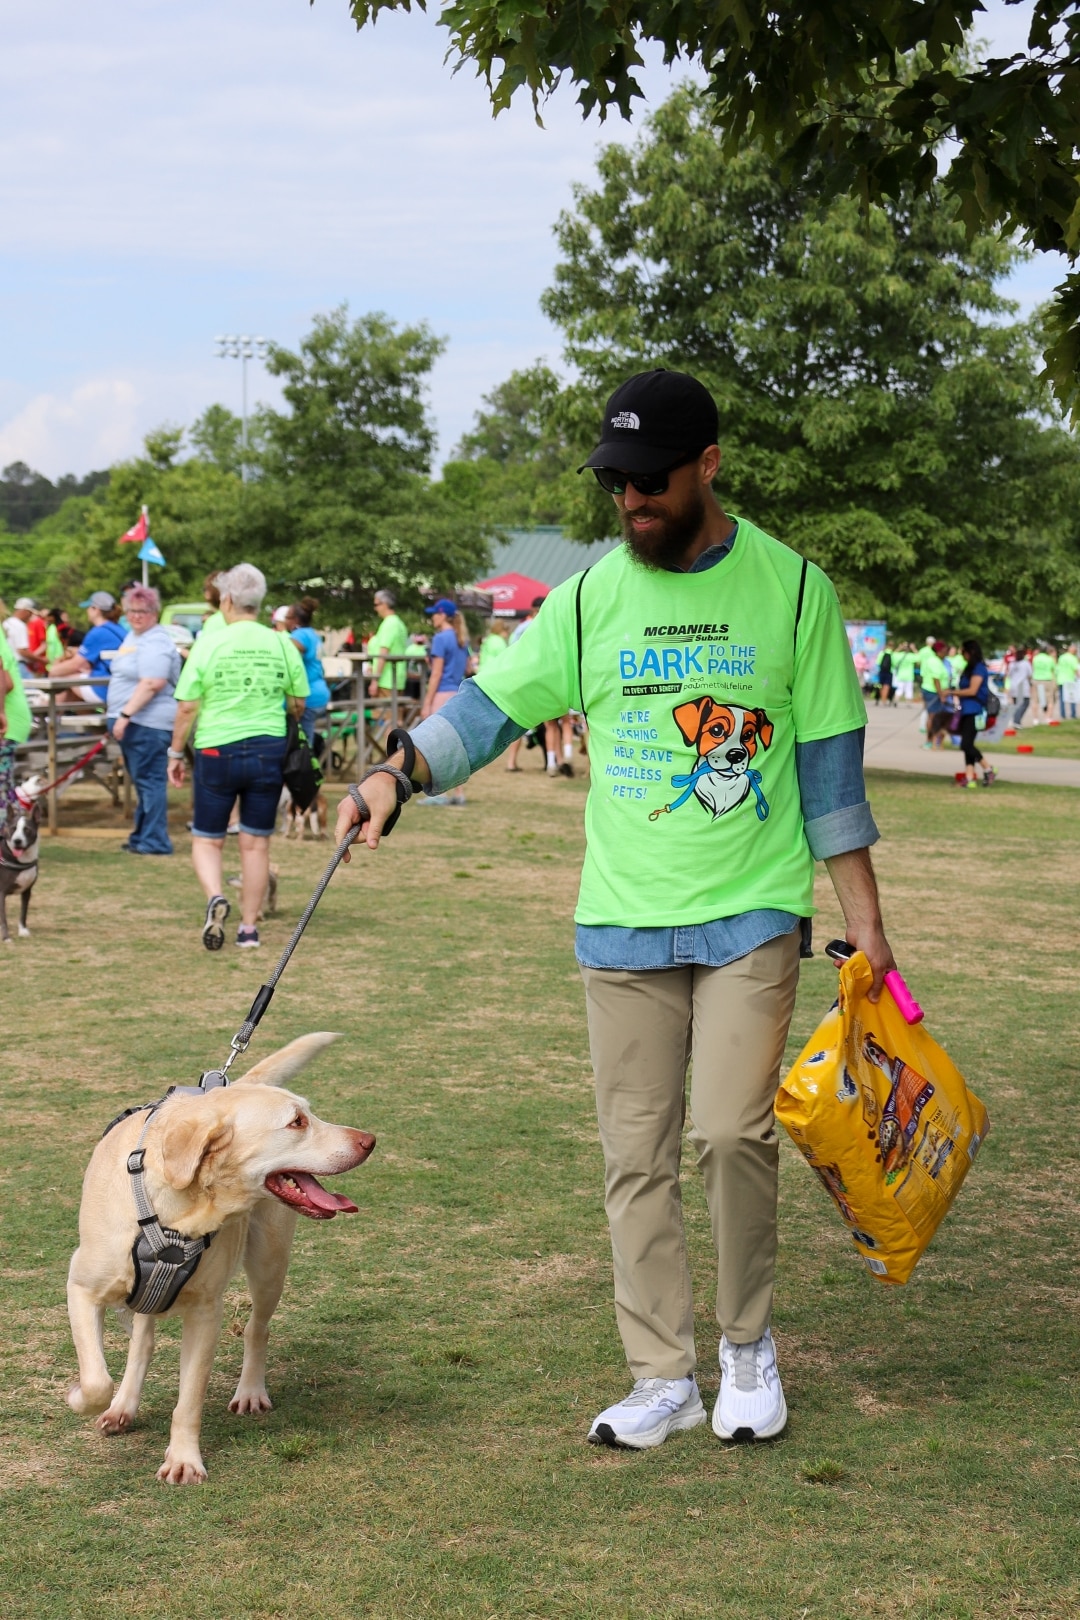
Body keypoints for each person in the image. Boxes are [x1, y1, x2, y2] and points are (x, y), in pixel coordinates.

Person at [335, 367, 895, 1451]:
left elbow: (831, 778)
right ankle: (661, 1377)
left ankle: (746, 1350)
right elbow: (492, 709)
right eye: (616, 483)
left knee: (729, 1132)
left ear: (707, 466)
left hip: (751, 910)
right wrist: (397, 772)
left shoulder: (792, 590)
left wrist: (865, 919)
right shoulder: (592, 597)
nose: (632, 500)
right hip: (622, 921)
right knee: (634, 1155)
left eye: (651, 480)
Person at [168, 563, 308, 951]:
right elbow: (298, 702)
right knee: (256, 844)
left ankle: (216, 896)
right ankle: (248, 929)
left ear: (227, 599)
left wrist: (176, 752)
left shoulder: (209, 642)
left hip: (217, 748)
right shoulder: (281, 643)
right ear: (259, 603)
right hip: (268, 748)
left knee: (207, 839)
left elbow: (187, 706)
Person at [106, 585, 181, 855]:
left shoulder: (155, 641)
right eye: (131, 611)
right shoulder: (135, 636)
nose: (136, 616)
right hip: (136, 723)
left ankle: (154, 840)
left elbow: (153, 682)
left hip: (148, 723)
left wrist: (125, 715)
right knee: (143, 782)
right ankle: (142, 836)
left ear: (155, 613)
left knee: (150, 782)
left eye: (143, 611)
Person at [49, 591, 126, 703]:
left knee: (62, 677)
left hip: (106, 689)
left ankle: (50, 712)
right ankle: (77, 714)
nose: (87, 611)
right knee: (74, 682)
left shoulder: (98, 632)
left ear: (96, 609)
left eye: (89, 607)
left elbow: (76, 664)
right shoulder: (119, 628)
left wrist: (53, 670)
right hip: (121, 687)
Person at [945, 638, 996, 788]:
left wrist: (952, 692)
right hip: (966, 710)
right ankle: (969, 777)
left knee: (966, 744)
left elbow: (973, 690)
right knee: (968, 745)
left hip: (975, 710)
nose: (962, 655)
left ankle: (988, 769)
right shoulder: (969, 668)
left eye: (964, 652)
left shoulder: (979, 668)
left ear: (971, 652)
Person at [504, 597, 548, 772]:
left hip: (520, 677)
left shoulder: (522, 627)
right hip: (533, 678)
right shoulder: (540, 626)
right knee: (546, 723)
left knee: (519, 720)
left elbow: (511, 650)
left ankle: (512, 761)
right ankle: (550, 760)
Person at [286, 596, 331, 747]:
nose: (284, 621)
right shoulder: (312, 634)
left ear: (295, 620)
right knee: (305, 743)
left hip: (307, 698)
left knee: (302, 747)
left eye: (287, 618)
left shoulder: (298, 636)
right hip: (321, 694)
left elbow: (290, 663)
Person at [1, 622, 34, 812]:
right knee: (5, 793)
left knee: (2, 796)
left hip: (8, 721)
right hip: (11, 719)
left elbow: (4, 681)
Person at [367, 589, 409, 703]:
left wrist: (375, 680)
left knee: (385, 713)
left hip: (386, 680)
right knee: (396, 712)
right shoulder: (399, 623)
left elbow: (383, 653)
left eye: (376, 604)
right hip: (397, 679)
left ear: (385, 604)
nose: (375, 608)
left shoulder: (389, 624)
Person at [919, 639, 949, 749]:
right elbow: (936, 679)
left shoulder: (937, 660)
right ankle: (930, 741)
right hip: (933, 692)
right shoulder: (935, 661)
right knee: (933, 718)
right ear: (939, 651)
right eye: (945, 650)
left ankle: (933, 741)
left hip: (933, 691)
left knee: (935, 718)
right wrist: (941, 694)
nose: (946, 653)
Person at [1031, 646, 1057, 724]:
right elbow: (1054, 669)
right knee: (1050, 700)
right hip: (1047, 680)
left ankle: (1035, 719)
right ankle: (1048, 717)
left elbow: (1033, 668)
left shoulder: (1035, 658)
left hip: (1036, 679)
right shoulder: (1050, 659)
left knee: (1035, 700)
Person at [1009, 648, 1032, 729]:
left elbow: (1009, 674)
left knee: (1016, 704)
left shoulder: (1012, 664)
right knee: (1024, 703)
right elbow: (1030, 674)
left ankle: (1017, 720)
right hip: (1021, 685)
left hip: (1013, 685)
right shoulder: (1025, 663)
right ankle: (1016, 721)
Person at [1056, 643, 1079, 720]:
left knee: (1062, 698)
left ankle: (1063, 714)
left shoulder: (1061, 657)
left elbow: (1057, 668)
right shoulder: (1073, 658)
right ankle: (1073, 714)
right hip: (1070, 680)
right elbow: (1076, 670)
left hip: (1061, 679)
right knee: (1072, 697)